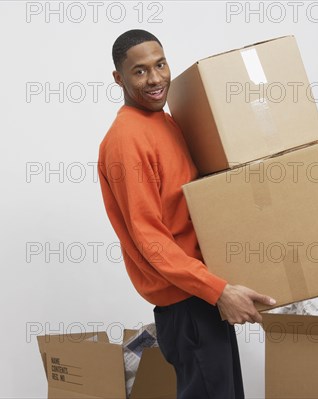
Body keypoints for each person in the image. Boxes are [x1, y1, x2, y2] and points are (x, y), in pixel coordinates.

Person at [97, 29, 276, 399]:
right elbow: (151, 240)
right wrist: (218, 291)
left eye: (160, 64)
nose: (156, 78)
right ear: (119, 78)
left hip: (203, 294)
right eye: (140, 71)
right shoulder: (126, 140)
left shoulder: (165, 122)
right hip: (189, 303)